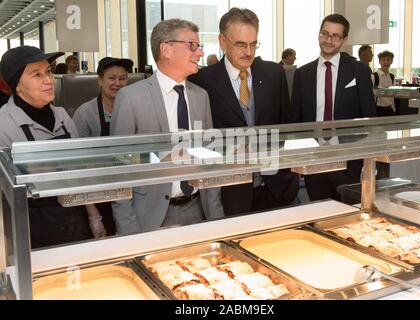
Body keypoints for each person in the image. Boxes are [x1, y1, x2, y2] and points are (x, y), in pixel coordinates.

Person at [110, 19, 224, 235]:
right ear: (166, 49)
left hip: (199, 211)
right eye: (192, 45)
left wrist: (215, 216)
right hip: (149, 219)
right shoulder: (131, 98)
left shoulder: (201, 97)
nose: (199, 53)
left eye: (199, 47)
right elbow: (119, 170)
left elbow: (211, 160)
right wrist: (128, 229)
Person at [190, 8, 299, 216]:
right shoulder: (202, 81)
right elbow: (200, 141)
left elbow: (286, 126)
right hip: (229, 192)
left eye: (253, 44)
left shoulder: (274, 74)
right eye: (240, 44)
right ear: (222, 42)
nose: (248, 52)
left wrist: (288, 176)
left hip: (275, 187)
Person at [0, 46, 105, 248]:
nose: (48, 80)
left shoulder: (62, 116)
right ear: (17, 86)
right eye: (36, 75)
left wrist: (94, 217)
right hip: (31, 228)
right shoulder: (4, 125)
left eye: (48, 71)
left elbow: (78, 174)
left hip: (75, 217)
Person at [291, 14, 376, 201]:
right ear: (319, 34)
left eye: (336, 36)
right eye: (325, 34)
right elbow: (296, 122)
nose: (329, 40)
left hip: (349, 163)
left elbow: (369, 118)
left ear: (344, 40)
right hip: (314, 161)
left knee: (350, 218)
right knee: (318, 214)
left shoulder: (359, 71)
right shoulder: (302, 74)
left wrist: (367, 163)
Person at [73, 56, 134, 235]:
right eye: (112, 78)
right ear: (100, 80)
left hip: (129, 192)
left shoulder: (134, 109)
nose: (117, 83)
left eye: (122, 78)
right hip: (98, 196)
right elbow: (78, 168)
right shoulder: (85, 114)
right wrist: (93, 215)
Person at [373, 50, 396, 116]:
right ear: (379, 62)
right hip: (378, 109)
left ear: (391, 62)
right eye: (383, 60)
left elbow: (393, 94)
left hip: (390, 109)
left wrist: (393, 108)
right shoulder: (374, 76)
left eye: (388, 60)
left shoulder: (392, 77)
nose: (386, 62)